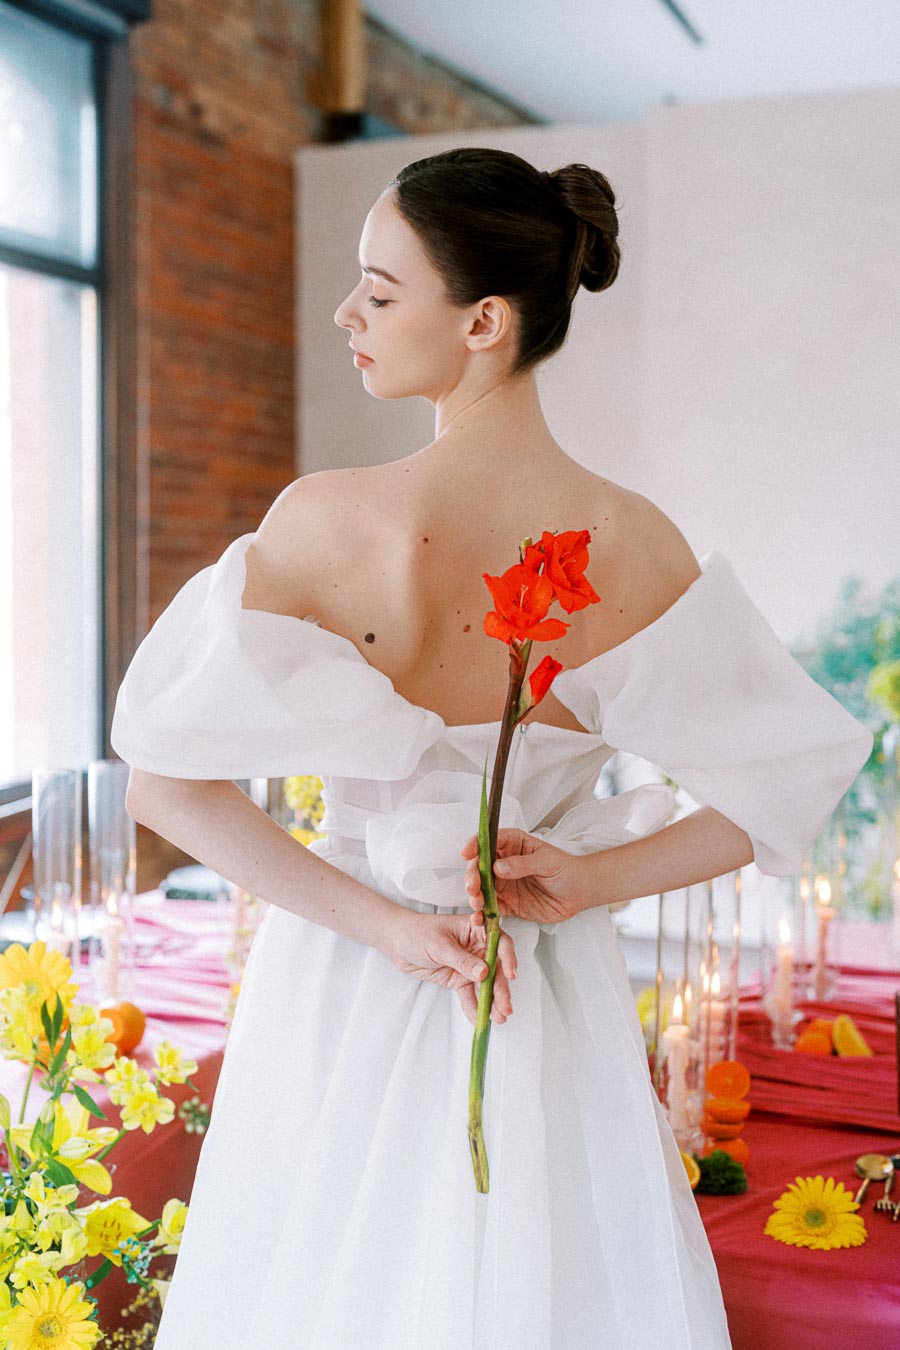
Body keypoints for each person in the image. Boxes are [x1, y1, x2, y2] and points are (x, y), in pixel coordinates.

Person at [111, 147, 872, 1349]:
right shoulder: (630, 540)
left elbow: (165, 781)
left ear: (483, 319)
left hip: (346, 985)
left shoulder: (324, 519)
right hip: (538, 993)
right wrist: (589, 882)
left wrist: (387, 927)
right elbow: (783, 786)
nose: (346, 314)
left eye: (378, 289)